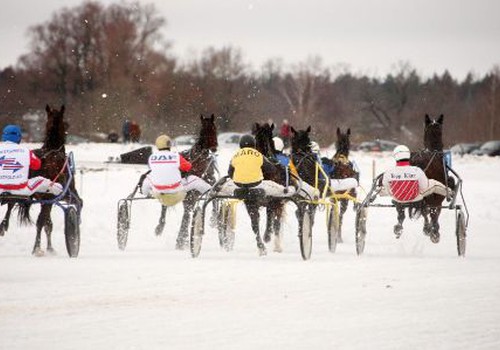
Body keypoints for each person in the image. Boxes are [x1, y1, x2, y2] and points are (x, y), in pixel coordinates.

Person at [215, 134, 295, 197]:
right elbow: (271, 169)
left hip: (237, 186)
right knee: (281, 189)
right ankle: (292, 190)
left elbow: (230, 173)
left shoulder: (235, 156)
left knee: (222, 189)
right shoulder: (259, 155)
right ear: (254, 144)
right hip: (257, 185)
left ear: (240, 145)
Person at [140, 135, 212, 199]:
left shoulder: (152, 157)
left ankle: (144, 193)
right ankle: (211, 192)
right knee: (194, 179)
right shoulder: (176, 156)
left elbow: (155, 168)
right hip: (175, 190)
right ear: (169, 145)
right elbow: (188, 167)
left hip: (157, 190)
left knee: (147, 178)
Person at [0, 125, 63, 196]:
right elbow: (37, 166)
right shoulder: (26, 151)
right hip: (20, 190)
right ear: (19, 137)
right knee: (41, 180)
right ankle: (58, 189)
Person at [381, 145, 453, 202]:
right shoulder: (416, 170)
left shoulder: (389, 172)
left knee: (384, 189)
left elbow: (387, 187)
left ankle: (377, 193)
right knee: (434, 183)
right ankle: (449, 193)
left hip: (397, 198)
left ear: (395, 156)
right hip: (415, 198)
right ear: (408, 155)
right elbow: (424, 186)